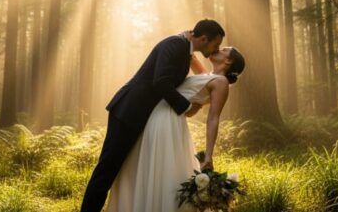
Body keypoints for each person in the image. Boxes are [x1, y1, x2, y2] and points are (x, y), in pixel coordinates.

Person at [79, 19, 225, 212]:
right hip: (128, 111)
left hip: (141, 115)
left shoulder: (184, 48)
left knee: (122, 169)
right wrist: (187, 106)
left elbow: (206, 78)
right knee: (108, 168)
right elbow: (161, 82)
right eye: (216, 44)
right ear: (204, 39)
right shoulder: (175, 44)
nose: (216, 49)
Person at [107, 46, 245, 212]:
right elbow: (190, 54)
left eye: (223, 49)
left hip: (168, 121)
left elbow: (213, 118)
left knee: (162, 168)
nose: (217, 48)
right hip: (156, 115)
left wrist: (208, 155)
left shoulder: (221, 83)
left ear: (229, 60)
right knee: (147, 165)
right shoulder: (207, 76)